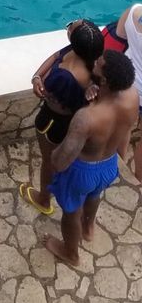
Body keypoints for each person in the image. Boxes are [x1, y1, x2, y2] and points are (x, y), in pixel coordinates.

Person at [45, 49, 139, 268]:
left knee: (71, 212)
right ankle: (88, 229)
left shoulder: (86, 118)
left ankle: (70, 253)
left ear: (104, 79)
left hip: (81, 171)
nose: (96, 59)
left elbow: (61, 161)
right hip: (108, 165)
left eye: (99, 62)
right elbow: (124, 128)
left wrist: (53, 155)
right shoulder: (132, 97)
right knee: (94, 195)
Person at [21, 19, 104, 216]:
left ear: (73, 40)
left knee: (49, 161)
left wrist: (40, 81)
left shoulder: (66, 76)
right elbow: (55, 56)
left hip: (53, 123)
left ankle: (44, 199)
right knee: (61, 158)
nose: (71, 24)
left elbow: (50, 88)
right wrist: (36, 76)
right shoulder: (83, 54)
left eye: (71, 26)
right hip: (66, 120)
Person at [103, 2, 141, 181]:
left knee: (125, 125)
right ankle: (139, 179)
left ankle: (118, 159)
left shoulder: (134, 12)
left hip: (131, 84)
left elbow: (117, 38)